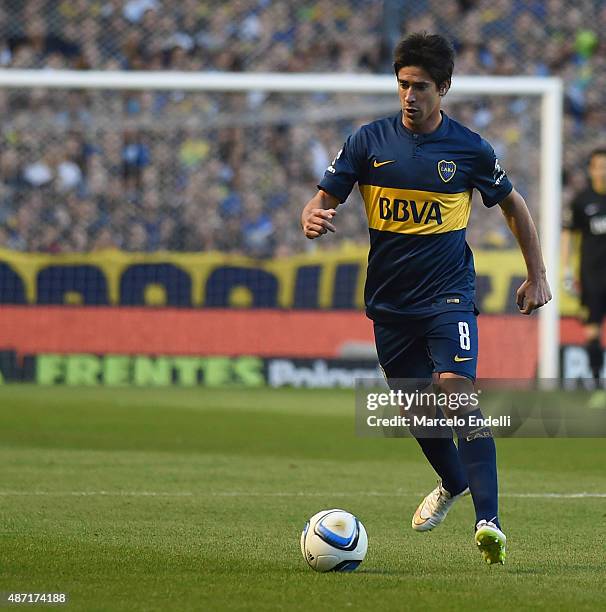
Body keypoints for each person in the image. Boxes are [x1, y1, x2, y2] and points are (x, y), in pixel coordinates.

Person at [300, 32, 551, 565]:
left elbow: (513, 206)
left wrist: (537, 273)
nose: (409, 96)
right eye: (402, 85)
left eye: (420, 87)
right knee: (419, 412)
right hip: (390, 302)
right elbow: (324, 197)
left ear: (445, 88)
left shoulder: (470, 149)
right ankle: (453, 483)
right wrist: (312, 214)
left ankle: (490, 522)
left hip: (448, 295)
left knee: (457, 394)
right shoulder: (368, 142)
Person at [562, 148, 606, 399]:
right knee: (592, 331)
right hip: (592, 277)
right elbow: (568, 234)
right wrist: (566, 270)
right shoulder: (582, 201)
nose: (603, 170)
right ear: (591, 170)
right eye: (599, 166)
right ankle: (598, 386)